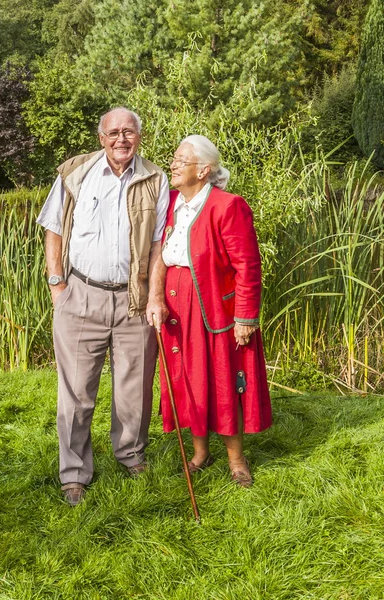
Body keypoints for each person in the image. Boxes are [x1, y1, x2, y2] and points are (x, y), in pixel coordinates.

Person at [37, 107, 169, 506]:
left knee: (134, 388)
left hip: (134, 297)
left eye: (129, 132)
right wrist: (57, 285)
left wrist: (156, 296)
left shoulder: (155, 178)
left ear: (139, 137)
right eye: (113, 133)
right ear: (101, 138)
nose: (121, 139)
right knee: (76, 391)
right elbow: (53, 228)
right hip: (81, 294)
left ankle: (130, 454)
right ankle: (74, 472)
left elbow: (160, 243)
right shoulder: (75, 172)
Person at [159, 135, 271, 487]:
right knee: (190, 379)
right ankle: (200, 453)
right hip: (176, 306)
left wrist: (245, 317)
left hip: (212, 310)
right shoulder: (172, 203)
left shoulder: (228, 205)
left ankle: (237, 461)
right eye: (174, 159)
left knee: (222, 381)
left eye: (181, 160)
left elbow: (248, 266)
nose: (173, 165)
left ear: (203, 170)